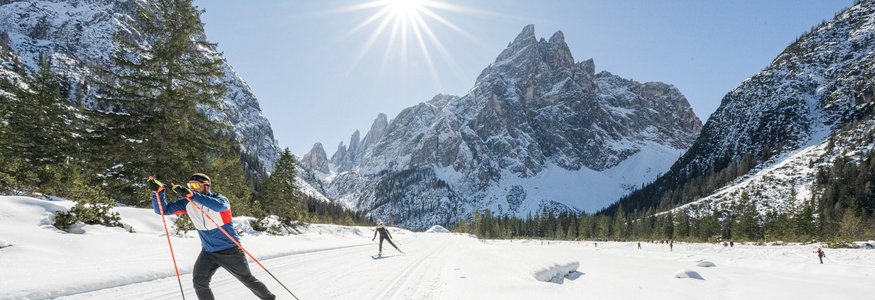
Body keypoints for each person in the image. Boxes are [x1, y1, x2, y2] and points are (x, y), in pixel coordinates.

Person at [149, 174, 275, 300]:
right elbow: (162, 210)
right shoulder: (187, 203)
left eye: (196, 185)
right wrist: (158, 193)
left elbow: (220, 206)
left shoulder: (219, 199)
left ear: (207, 186)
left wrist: (193, 195)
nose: (192, 188)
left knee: (247, 279)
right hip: (208, 252)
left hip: (230, 251)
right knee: (199, 282)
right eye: (190, 185)